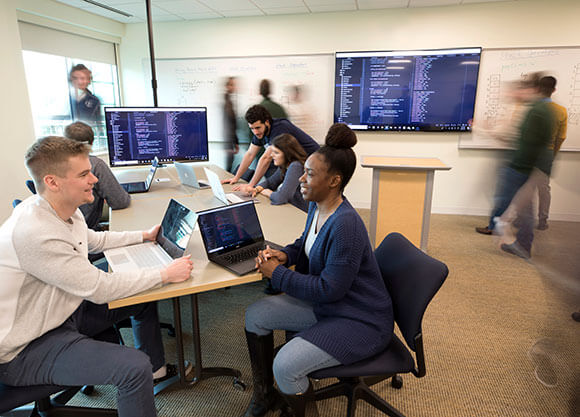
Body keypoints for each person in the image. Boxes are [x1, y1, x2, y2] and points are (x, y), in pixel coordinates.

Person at [0, 136, 194, 417]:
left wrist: (143, 236)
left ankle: (158, 371)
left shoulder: (62, 208)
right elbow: (100, 288)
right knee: (132, 368)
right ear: (53, 182)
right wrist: (164, 274)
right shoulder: (35, 232)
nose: (94, 178)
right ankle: (145, 373)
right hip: (25, 348)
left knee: (139, 298)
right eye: (83, 174)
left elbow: (93, 240)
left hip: (60, 312)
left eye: (90, 169)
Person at [239, 123, 394, 417]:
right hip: (332, 305)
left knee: (285, 365)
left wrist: (277, 274)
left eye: (310, 174)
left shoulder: (345, 224)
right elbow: (305, 243)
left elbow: (329, 289)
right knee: (256, 315)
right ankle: (265, 395)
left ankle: (299, 407)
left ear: (335, 180)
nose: (302, 179)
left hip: (360, 319)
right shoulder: (317, 204)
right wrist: (285, 255)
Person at [475, 73, 554, 259]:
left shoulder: (536, 110)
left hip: (523, 166)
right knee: (523, 207)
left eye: (519, 90)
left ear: (531, 90)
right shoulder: (538, 108)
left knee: (515, 204)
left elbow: (529, 143)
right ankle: (520, 242)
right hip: (528, 166)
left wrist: (519, 167)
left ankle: (507, 233)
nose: (514, 93)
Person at [223, 105, 319, 189]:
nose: (255, 132)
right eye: (252, 128)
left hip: (314, 164)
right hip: (297, 165)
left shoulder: (280, 128)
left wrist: (251, 185)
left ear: (267, 122)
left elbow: (266, 158)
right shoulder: (260, 132)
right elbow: (250, 154)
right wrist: (236, 178)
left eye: (257, 128)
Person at [65, 121, 130, 230]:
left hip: (67, 226)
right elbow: (120, 202)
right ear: (91, 143)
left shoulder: (54, 164)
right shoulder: (95, 164)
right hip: (85, 230)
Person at [246, 133, 308, 213]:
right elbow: (270, 182)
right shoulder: (286, 165)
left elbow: (281, 198)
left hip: (300, 213)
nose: (272, 155)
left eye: (276, 152)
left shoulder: (296, 166)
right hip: (291, 209)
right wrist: (257, 189)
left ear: (287, 153)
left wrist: (269, 193)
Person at [536, 76, 567, 230]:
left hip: (529, 153)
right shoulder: (561, 111)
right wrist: (552, 153)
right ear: (554, 90)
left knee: (522, 187)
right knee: (543, 188)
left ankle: (517, 219)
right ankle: (543, 220)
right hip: (546, 153)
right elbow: (561, 137)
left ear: (538, 89)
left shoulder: (533, 108)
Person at [223, 76, 240, 173]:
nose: (234, 87)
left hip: (230, 141)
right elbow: (228, 124)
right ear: (227, 86)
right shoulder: (226, 102)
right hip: (228, 141)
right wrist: (230, 144)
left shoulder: (229, 101)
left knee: (229, 168)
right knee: (228, 170)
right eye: (232, 85)